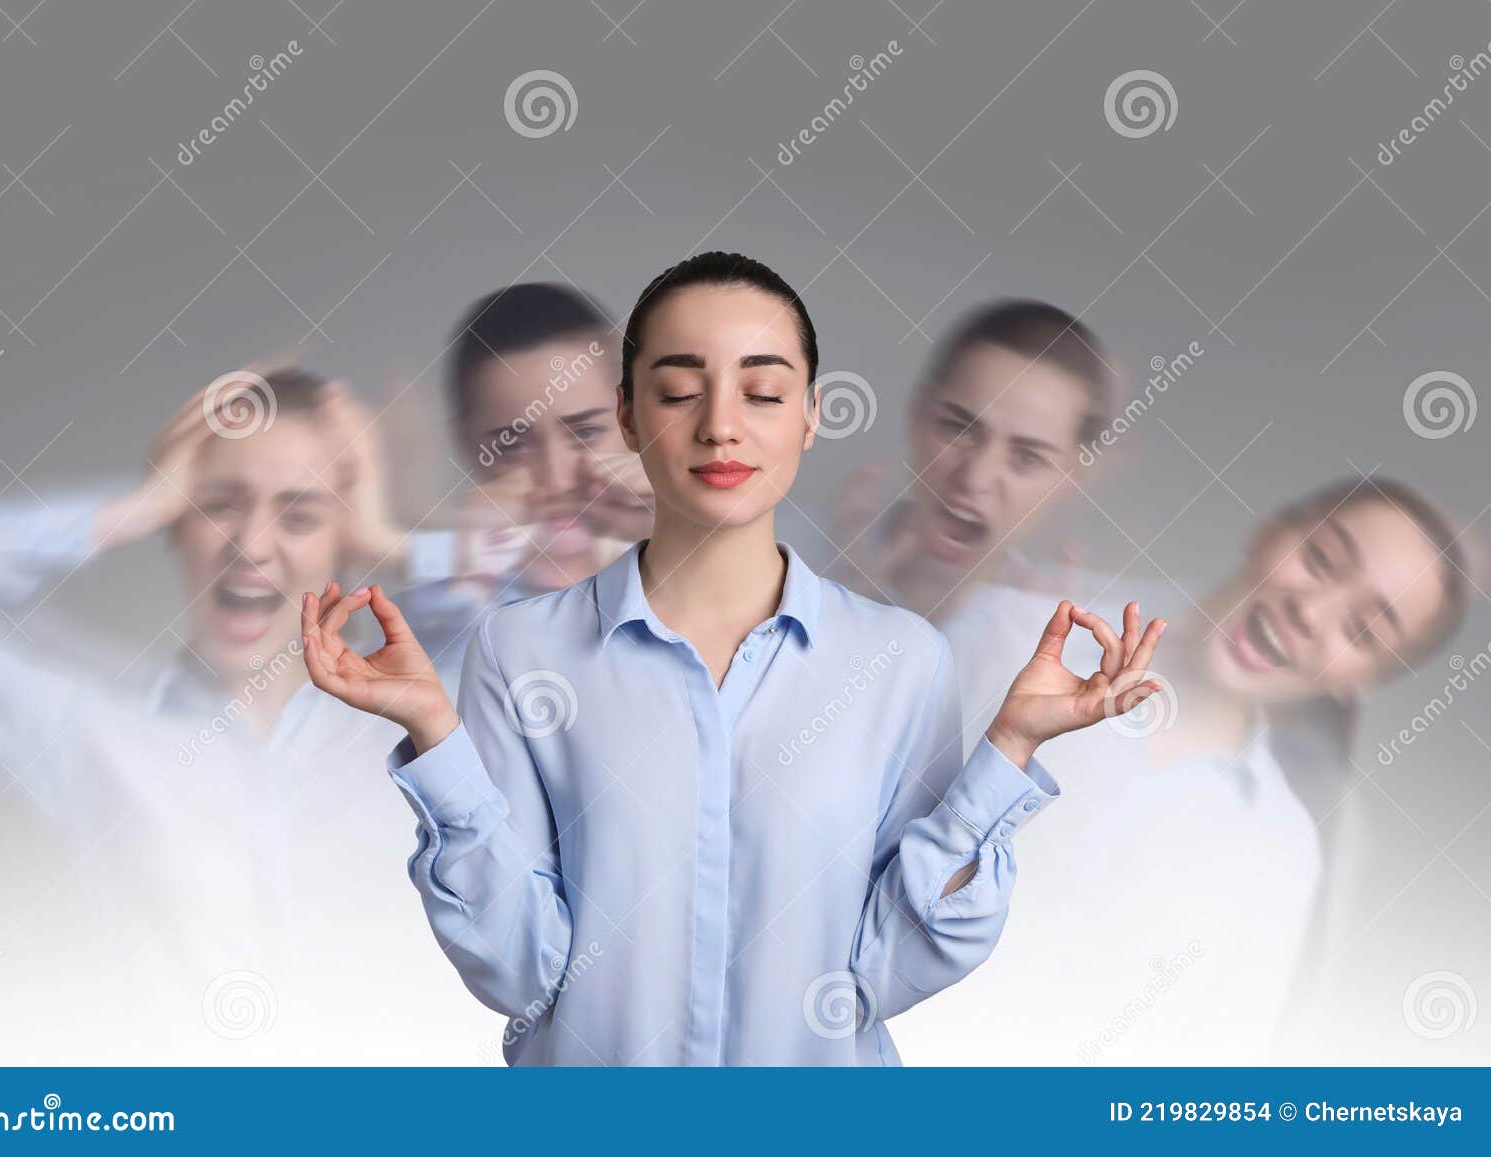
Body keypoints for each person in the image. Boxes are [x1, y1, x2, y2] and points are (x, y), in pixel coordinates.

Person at [299, 251, 1166, 1066]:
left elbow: (889, 968)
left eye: (762, 392)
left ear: (813, 414)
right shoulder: (520, 647)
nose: (720, 426)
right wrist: (435, 739)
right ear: (632, 417)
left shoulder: (899, 661)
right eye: (679, 391)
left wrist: (1010, 747)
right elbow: (521, 974)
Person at [0, 366, 488, 1062]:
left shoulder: (433, 718)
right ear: (176, 525)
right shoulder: (95, 731)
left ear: (343, 542)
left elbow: (583, 594)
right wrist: (129, 510)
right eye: (217, 505)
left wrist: (394, 541)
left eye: (298, 514)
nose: (251, 545)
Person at [922, 475, 1469, 1064]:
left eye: (1362, 631)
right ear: (1271, 528)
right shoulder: (1003, 631)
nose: (1310, 611)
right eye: (1320, 558)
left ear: (1357, 684)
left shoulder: (1282, 852)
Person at [365, 284, 654, 696]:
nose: (555, 480)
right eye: (513, 444)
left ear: (632, 418)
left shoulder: (689, 583)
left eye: (586, 433)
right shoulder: (438, 623)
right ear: (467, 446)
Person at [830, 299, 1115, 619]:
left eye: (1028, 458)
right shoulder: (782, 562)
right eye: (957, 428)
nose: (974, 478)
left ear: (1074, 476)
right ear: (918, 413)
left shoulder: (1083, 649)